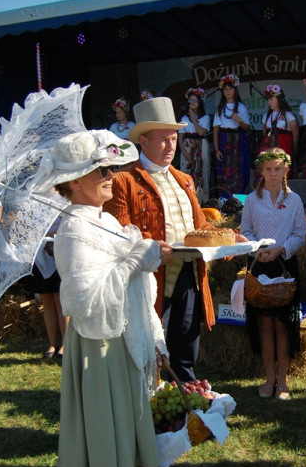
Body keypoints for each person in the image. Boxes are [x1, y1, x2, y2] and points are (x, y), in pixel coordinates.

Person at [32, 129, 171, 467]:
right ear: (72, 182)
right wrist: (137, 259)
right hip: (100, 348)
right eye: (100, 170)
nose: (111, 175)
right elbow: (82, 302)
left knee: (125, 435)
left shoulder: (105, 219)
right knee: (104, 439)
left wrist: (145, 255)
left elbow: (128, 275)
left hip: (123, 341)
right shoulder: (73, 230)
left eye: (111, 167)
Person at [104, 96, 248, 383]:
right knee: (150, 348)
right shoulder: (125, 180)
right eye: (163, 140)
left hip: (188, 274)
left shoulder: (184, 178)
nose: (171, 146)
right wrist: (151, 248)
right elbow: (116, 232)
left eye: (173, 138)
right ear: (143, 142)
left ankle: (184, 406)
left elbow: (200, 224)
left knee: (186, 346)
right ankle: (149, 409)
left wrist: (230, 237)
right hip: (149, 279)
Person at [240, 148, 306, 399]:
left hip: (284, 265)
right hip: (259, 265)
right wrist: (258, 248)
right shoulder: (251, 200)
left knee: (283, 324)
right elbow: (244, 230)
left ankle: (283, 379)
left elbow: (301, 233)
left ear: (286, 170)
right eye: (268, 169)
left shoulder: (294, 200)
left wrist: (282, 249)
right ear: (261, 170)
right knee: (264, 323)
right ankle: (268, 377)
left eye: (277, 168)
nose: (272, 173)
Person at [21, 219, 68, 360]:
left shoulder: (64, 200)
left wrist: (52, 234)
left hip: (59, 251)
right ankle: (52, 344)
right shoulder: (34, 200)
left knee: (60, 301)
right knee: (47, 300)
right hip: (41, 255)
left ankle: (65, 344)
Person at [212, 73, 251, 196]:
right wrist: (217, 149)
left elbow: (247, 128)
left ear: (235, 90)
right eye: (225, 89)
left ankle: (239, 199)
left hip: (238, 140)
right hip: (224, 141)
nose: (228, 92)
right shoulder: (220, 108)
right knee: (224, 170)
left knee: (239, 169)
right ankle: (224, 200)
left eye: (230, 89)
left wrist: (239, 120)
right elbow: (216, 130)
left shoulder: (241, 107)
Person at [258, 85, 299, 177]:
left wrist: (294, 148)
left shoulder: (289, 115)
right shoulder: (266, 116)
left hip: (284, 145)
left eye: (272, 99)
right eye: (268, 100)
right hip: (269, 145)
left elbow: (295, 134)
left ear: (279, 99)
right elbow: (265, 133)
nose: (269, 102)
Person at [178, 87, 211, 198]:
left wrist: (193, 117)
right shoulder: (184, 118)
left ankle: (202, 198)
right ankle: (188, 198)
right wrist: (185, 153)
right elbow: (180, 137)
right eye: (190, 101)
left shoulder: (205, 117)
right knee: (187, 171)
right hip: (188, 146)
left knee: (202, 172)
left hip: (201, 145)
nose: (192, 103)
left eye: (195, 101)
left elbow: (201, 132)